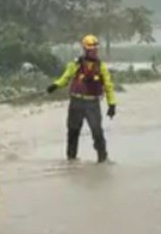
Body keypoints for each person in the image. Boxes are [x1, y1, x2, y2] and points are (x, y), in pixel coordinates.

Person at [45, 34, 117, 162]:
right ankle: (71, 160)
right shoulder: (76, 64)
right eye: (90, 48)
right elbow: (65, 78)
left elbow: (108, 86)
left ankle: (103, 159)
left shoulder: (101, 67)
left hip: (92, 104)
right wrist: (55, 86)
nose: (93, 51)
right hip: (76, 102)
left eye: (95, 48)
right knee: (73, 132)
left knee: (97, 132)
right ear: (85, 49)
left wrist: (112, 104)